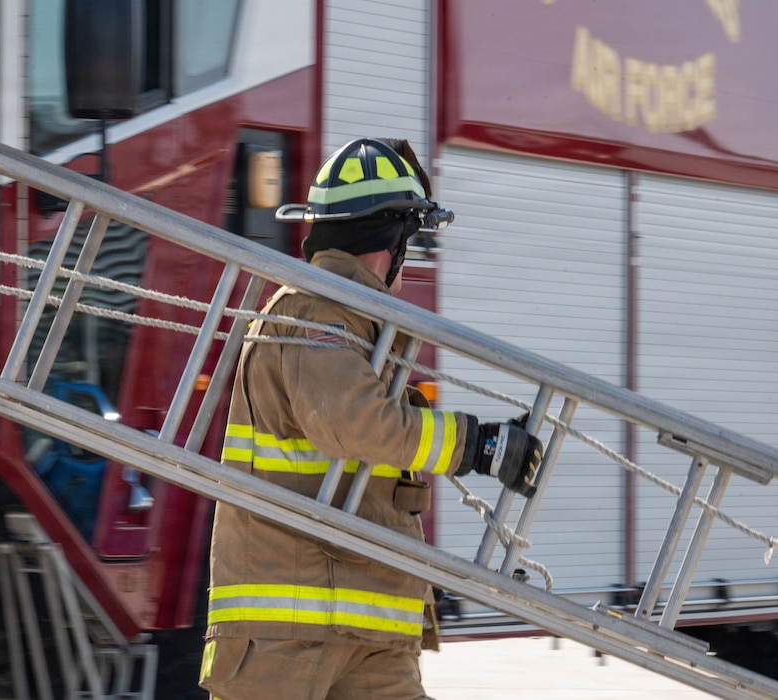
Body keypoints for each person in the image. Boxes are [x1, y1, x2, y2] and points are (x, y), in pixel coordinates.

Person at [199, 138, 543, 700]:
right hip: (292, 625)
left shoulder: (361, 326)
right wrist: (477, 446)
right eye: (412, 239)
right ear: (390, 240)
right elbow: (355, 423)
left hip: (365, 612)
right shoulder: (311, 312)